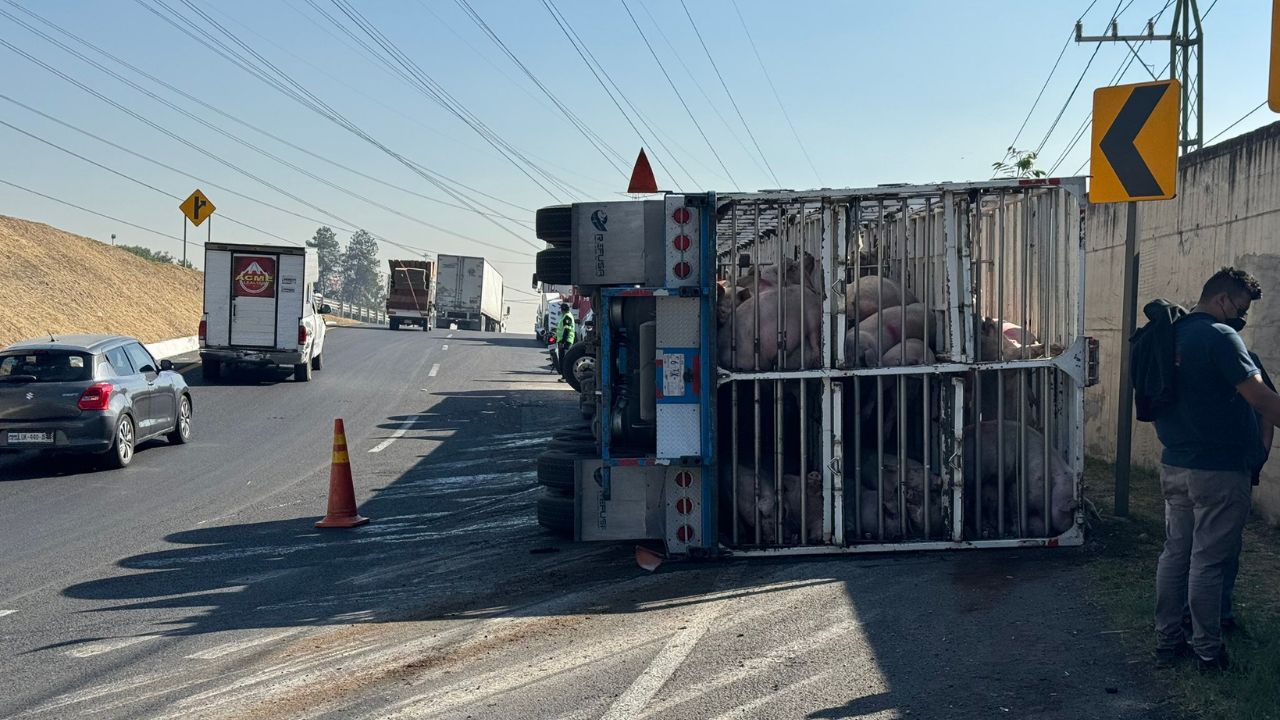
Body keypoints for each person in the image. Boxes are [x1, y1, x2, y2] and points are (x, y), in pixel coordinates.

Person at [1151, 267, 1280, 672]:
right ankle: (1208, 650)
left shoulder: (1170, 333)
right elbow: (1259, 397)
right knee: (1209, 561)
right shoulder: (1221, 336)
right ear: (1223, 300)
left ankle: (1168, 640)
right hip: (1218, 470)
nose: (1240, 318)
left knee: (1175, 554)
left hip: (1175, 463)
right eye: (1240, 309)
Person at [554, 303, 576, 379]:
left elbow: (567, 330)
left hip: (566, 341)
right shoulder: (565, 316)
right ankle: (564, 376)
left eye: (561, 309)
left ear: (563, 309)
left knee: (565, 360)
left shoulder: (567, 317)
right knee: (563, 359)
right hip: (563, 340)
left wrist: (563, 342)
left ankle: (566, 377)